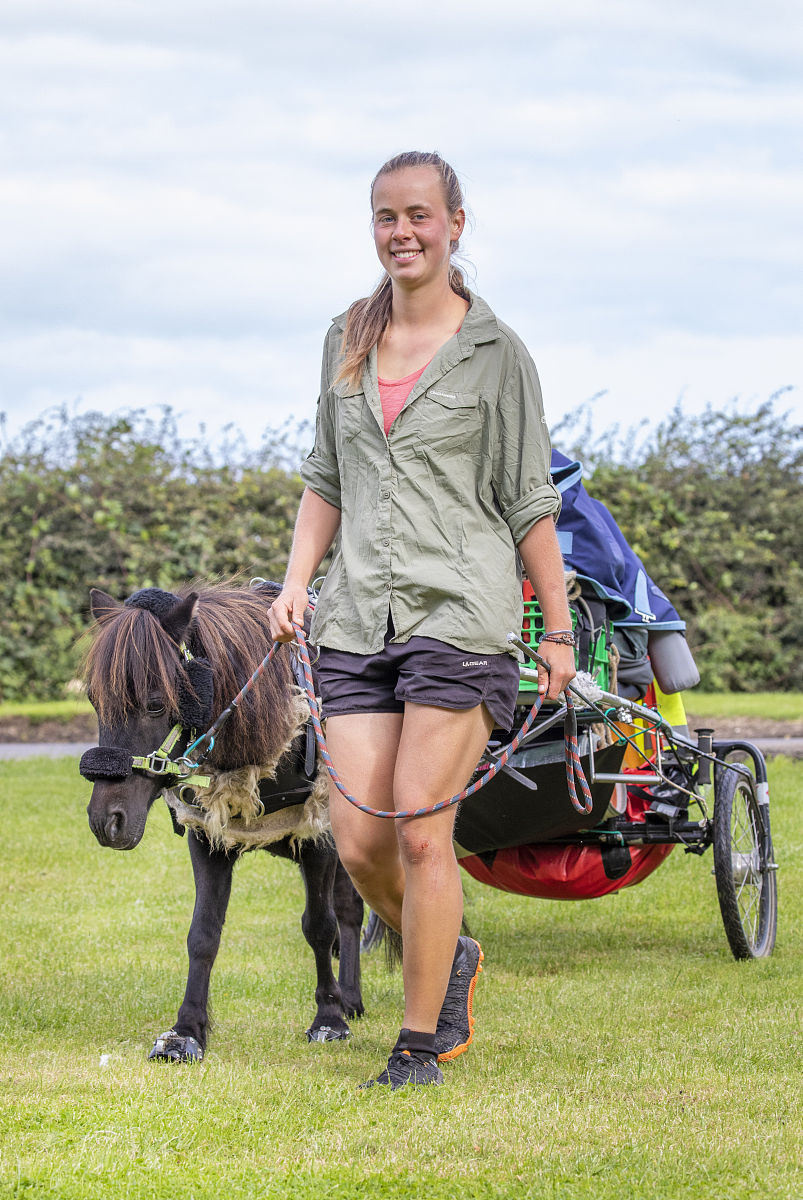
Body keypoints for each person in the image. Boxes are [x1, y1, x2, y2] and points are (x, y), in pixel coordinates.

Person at [269, 151, 576, 1089]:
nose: (400, 232)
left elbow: (528, 501)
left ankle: (416, 1044)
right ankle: (451, 955)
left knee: (417, 830)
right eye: (384, 217)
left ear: (454, 224)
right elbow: (326, 478)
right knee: (360, 843)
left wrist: (556, 629)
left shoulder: (496, 354)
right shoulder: (345, 339)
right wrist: (295, 582)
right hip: (357, 616)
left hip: (460, 614)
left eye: (417, 215)